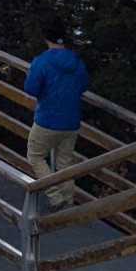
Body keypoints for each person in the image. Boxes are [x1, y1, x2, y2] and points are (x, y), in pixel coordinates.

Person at [24, 20, 90, 207]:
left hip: (47, 119)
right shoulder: (76, 62)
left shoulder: (42, 61)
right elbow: (84, 85)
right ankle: (68, 200)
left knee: (35, 156)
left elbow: (31, 88)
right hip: (71, 121)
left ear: (47, 39)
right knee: (65, 163)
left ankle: (55, 196)